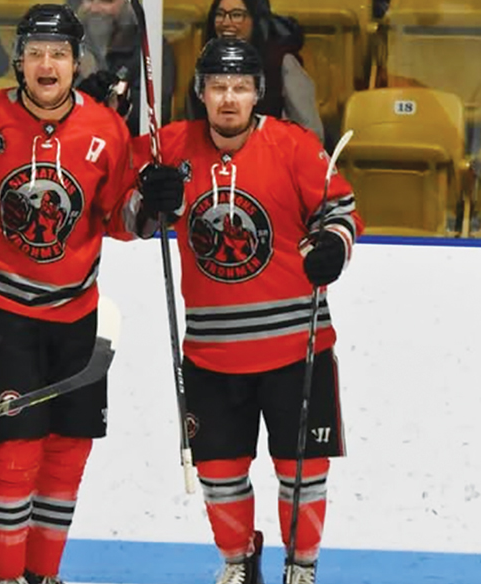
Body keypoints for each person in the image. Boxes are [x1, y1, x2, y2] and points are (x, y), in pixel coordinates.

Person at [0, 4, 182, 584]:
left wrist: (156, 204)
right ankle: (5, 578)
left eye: (58, 53)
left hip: (77, 317)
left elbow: (118, 219)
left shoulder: (106, 129)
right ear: (19, 61)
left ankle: (43, 575)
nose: (46, 64)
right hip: (4, 314)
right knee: (12, 456)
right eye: (35, 52)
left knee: (67, 454)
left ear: (76, 61)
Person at [134, 37, 363, 584]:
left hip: (295, 346)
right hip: (211, 352)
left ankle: (300, 567)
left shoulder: (294, 146)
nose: (229, 98)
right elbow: (128, 222)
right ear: (201, 92)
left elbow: (342, 212)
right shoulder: (170, 146)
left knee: (302, 471)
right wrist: (149, 198)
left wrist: (334, 244)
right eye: (218, 87)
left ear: (258, 93)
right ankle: (238, 560)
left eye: (240, 87)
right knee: (218, 472)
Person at [185, 0, 324, 142]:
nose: (225, 22)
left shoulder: (282, 63)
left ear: (257, 20)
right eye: (220, 14)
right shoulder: (206, 65)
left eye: (236, 15)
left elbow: (311, 135)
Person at [74, 0, 176, 135]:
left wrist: (94, 76)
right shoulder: (71, 44)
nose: (94, 8)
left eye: (106, 0)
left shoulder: (150, 47)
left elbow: (151, 115)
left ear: (127, 4)